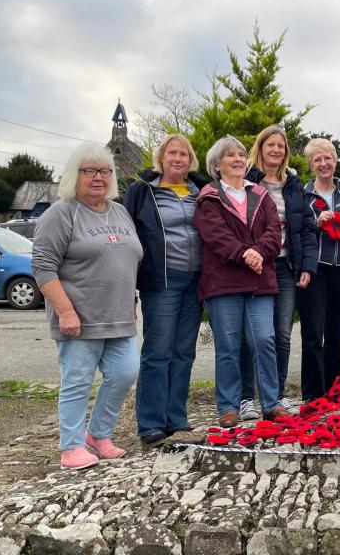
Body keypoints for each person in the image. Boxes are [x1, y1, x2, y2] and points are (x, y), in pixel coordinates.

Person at [32, 145, 142, 470]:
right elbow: (43, 266)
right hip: (77, 318)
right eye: (89, 171)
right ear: (74, 175)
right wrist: (65, 311)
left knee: (124, 373)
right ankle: (71, 447)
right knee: (77, 380)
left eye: (105, 171)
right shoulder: (61, 213)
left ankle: (98, 434)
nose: (98, 177)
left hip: (119, 316)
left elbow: (128, 259)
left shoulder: (119, 212)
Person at [193, 135, 288, 427]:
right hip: (223, 282)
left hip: (259, 280)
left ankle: (271, 403)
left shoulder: (260, 194)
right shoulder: (208, 197)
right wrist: (244, 253)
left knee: (265, 339)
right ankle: (229, 406)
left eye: (240, 155)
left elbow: (274, 230)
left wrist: (258, 252)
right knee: (229, 345)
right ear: (216, 164)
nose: (237, 159)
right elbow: (214, 234)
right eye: (230, 155)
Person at [124, 134, 208, 448]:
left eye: (183, 154)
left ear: (190, 161)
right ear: (161, 158)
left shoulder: (200, 191)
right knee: (158, 351)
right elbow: (128, 236)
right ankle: (150, 423)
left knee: (184, 351)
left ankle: (176, 417)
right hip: (162, 279)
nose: (177, 159)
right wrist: (129, 287)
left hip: (195, 279)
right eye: (172, 153)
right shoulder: (143, 191)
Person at [238, 126, 318, 419]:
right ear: (260, 148)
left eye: (280, 147)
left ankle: (277, 396)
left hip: (286, 266)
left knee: (281, 334)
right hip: (256, 266)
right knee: (253, 336)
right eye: (270, 145)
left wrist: (307, 265)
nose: (276, 150)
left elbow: (307, 229)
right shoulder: (246, 181)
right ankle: (247, 397)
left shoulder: (293, 184)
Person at [298, 138, 340, 402]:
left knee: (336, 333)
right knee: (313, 332)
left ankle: (334, 391)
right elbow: (297, 233)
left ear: (335, 161)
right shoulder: (302, 197)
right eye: (317, 160)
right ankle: (313, 394)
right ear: (311, 165)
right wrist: (315, 221)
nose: (323, 164)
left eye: (328, 159)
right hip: (314, 270)